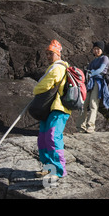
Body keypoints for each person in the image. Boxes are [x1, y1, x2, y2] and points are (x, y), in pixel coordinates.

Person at [33, 40, 71, 181]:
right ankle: (48, 168)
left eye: (51, 53)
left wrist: (35, 90)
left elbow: (45, 85)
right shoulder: (53, 67)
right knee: (43, 138)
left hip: (59, 108)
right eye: (47, 54)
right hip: (49, 108)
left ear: (57, 54)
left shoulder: (58, 68)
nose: (48, 56)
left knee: (52, 136)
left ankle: (59, 170)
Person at [76, 41, 109, 133]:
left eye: (98, 49)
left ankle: (90, 126)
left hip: (98, 82)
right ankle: (80, 127)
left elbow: (100, 70)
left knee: (93, 103)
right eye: (95, 49)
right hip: (89, 82)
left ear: (102, 50)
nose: (96, 51)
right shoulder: (92, 61)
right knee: (83, 104)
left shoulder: (105, 58)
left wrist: (90, 74)